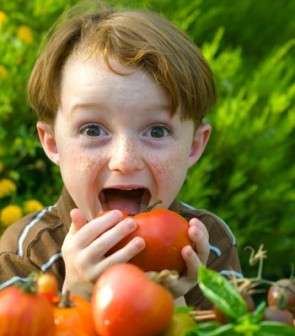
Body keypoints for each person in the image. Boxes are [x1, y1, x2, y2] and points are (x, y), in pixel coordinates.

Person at [0, 1, 241, 307]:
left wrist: (172, 305)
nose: (124, 160)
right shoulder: (26, 254)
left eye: (156, 131)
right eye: (92, 130)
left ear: (194, 145)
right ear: (52, 143)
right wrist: (77, 295)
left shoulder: (211, 248)